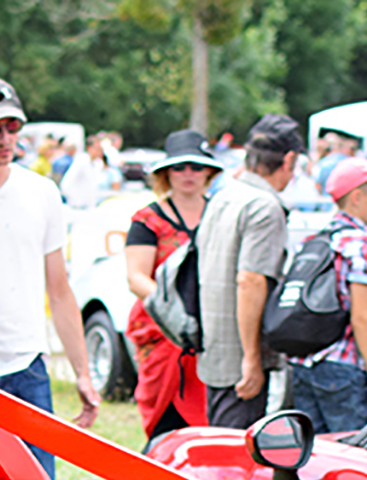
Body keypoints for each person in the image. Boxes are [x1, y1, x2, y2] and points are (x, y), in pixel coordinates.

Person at [0, 86, 98, 479]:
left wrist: (82, 371)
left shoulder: (41, 192)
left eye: (13, 127)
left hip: (25, 368)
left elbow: (60, 289)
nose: (5, 138)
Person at [196, 113, 303, 429]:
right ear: (289, 160)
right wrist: (251, 357)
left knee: (218, 451)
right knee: (233, 464)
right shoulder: (264, 207)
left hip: (214, 347)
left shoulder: (223, 197)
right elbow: (250, 280)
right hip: (240, 357)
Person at [282, 157, 367, 435]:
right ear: (357, 197)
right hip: (341, 368)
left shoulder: (315, 239)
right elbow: (361, 317)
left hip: (303, 363)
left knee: (313, 454)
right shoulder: (361, 243)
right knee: (350, 453)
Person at [123, 128, 216, 443]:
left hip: (213, 332)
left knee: (212, 426)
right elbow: (136, 277)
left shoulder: (222, 214)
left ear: (209, 172)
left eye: (196, 166)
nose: (188, 174)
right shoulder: (148, 219)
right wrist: (176, 309)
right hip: (163, 332)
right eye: (179, 167)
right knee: (166, 425)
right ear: (166, 172)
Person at [59, 134, 110, 210]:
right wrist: (75, 201)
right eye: (97, 148)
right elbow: (65, 183)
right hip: (78, 207)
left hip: (89, 207)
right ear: (89, 148)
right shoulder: (81, 161)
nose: (100, 152)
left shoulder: (97, 164)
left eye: (101, 149)